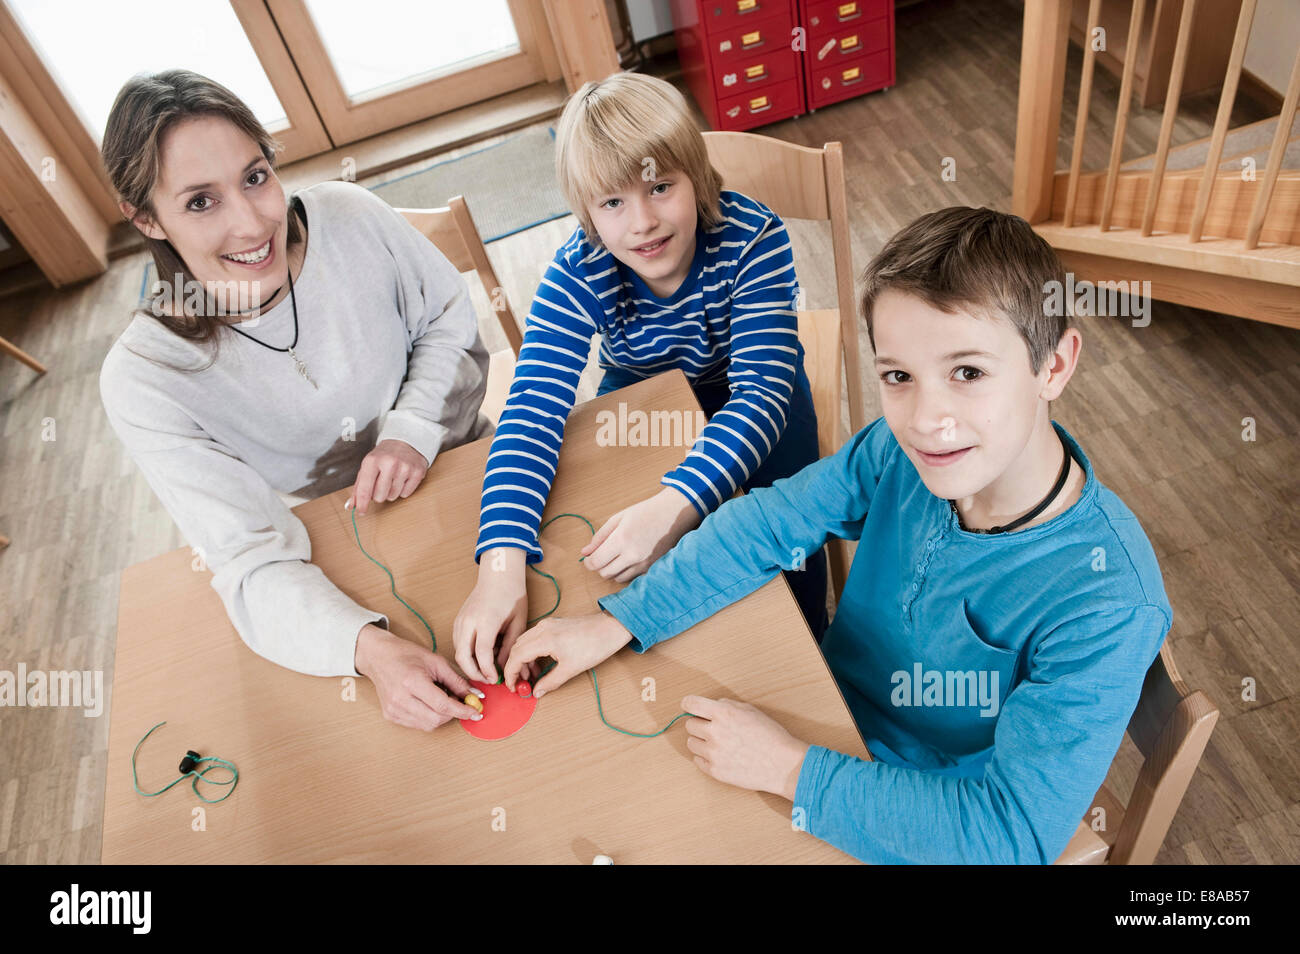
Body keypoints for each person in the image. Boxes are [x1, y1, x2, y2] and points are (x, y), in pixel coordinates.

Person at [501, 207, 1174, 864]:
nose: (926, 419)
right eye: (898, 377)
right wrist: (620, 619)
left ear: (1053, 367)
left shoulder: (1107, 601)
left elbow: (1009, 836)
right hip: (817, 711)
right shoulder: (898, 451)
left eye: (967, 372)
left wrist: (791, 770)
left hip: (922, 815)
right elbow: (770, 520)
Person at [98, 70, 489, 730]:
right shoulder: (145, 376)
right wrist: (369, 652)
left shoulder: (352, 215)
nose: (253, 223)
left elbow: (449, 324)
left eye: (255, 177)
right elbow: (251, 560)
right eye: (200, 202)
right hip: (344, 554)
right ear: (145, 219)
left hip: (473, 476)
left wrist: (415, 427)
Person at [453, 72, 828, 685]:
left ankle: (809, 647)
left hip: (758, 390)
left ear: (697, 178)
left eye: (660, 187)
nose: (643, 222)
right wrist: (499, 566)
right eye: (613, 203)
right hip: (643, 389)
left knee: (787, 527)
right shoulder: (577, 271)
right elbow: (530, 414)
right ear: (588, 216)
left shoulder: (754, 238)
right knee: (614, 534)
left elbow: (762, 393)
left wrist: (676, 505)